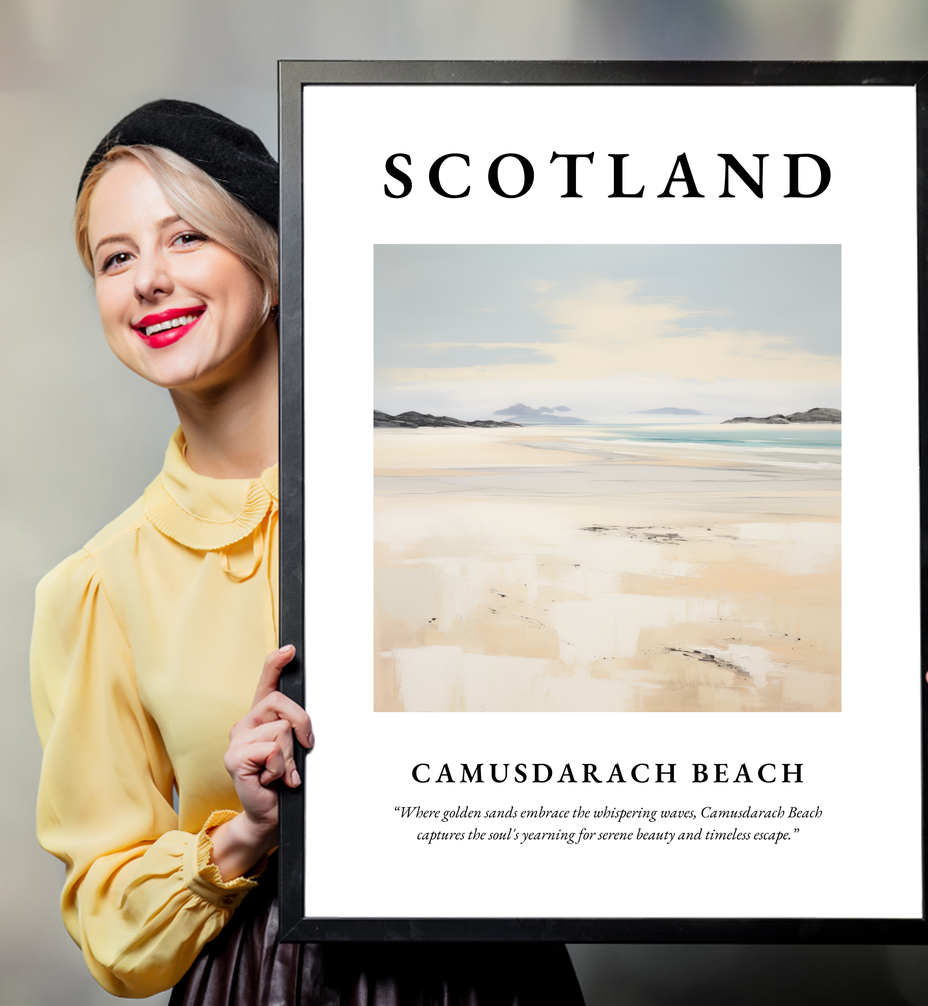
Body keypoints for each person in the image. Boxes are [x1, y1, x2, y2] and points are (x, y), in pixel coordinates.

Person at [30, 100, 585, 1004]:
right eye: (116, 257)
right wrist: (245, 832)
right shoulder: (98, 587)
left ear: (273, 264)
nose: (148, 281)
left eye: (186, 239)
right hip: (262, 981)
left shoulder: (456, 494)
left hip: (492, 973)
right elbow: (110, 923)